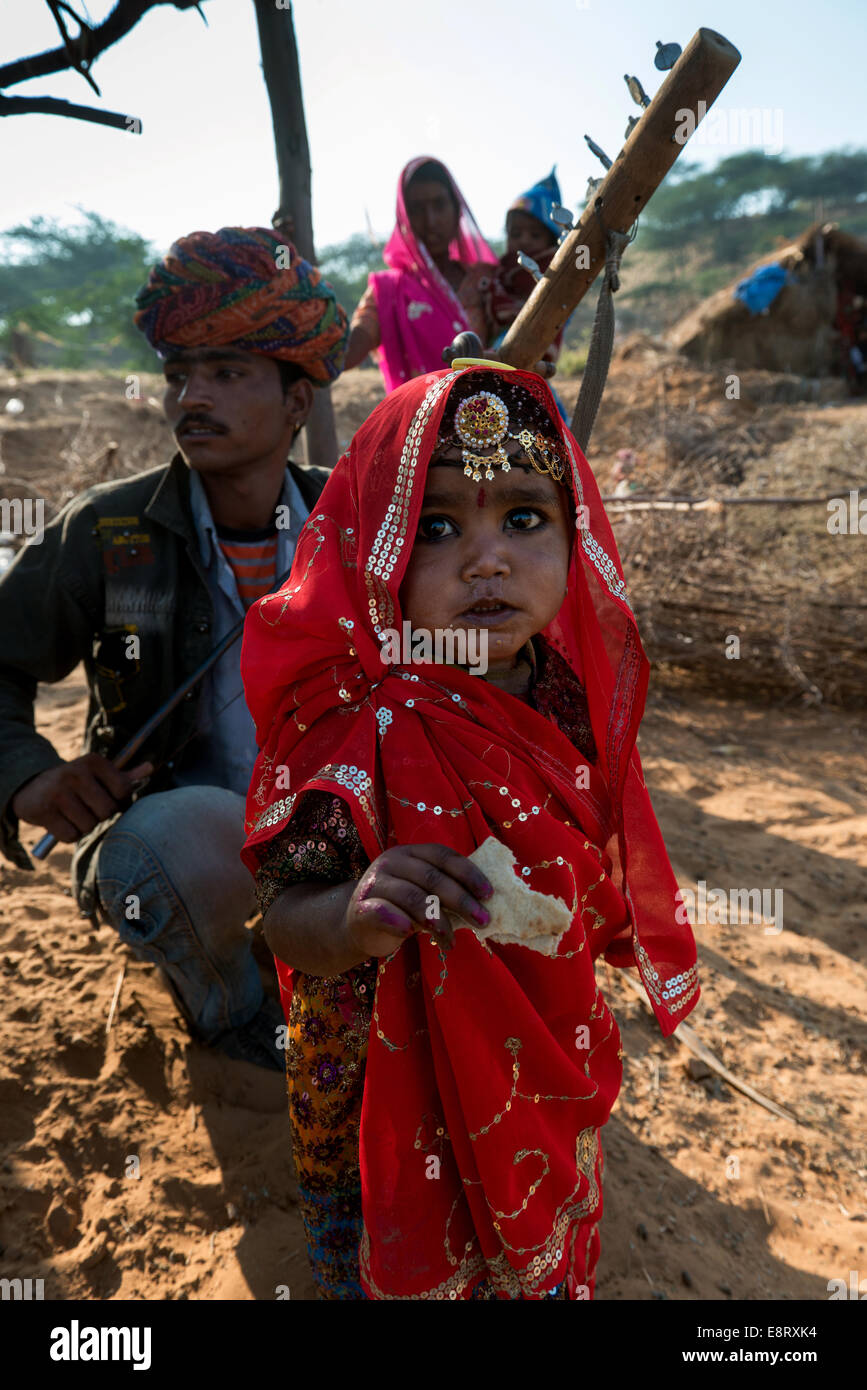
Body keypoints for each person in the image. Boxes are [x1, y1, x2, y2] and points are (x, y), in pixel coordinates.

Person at [240, 361, 700, 1297]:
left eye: (524, 518)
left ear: (577, 537)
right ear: (374, 547)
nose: (485, 560)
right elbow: (285, 919)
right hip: (377, 1080)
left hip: (541, 1043)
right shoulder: (351, 720)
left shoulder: (569, 700)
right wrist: (355, 915)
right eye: (436, 526)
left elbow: (582, 867)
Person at [0, 227, 348, 1071]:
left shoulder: (358, 529)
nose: (192, 397)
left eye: (227, 374)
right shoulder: (108, 530)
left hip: (343, 822)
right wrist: (32, 776)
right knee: (159, 852)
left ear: (297, 404)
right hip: (202, 835)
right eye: (178, 375)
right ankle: (234, 1008)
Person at [344, 157, 498, 390]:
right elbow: (346, 354)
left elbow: (521, 346)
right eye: (417, 210)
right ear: (404, 219)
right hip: (420, 422)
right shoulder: (387, 292)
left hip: (488, 418)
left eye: (439, 205)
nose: (430, 220)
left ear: (457, 210)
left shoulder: (485, 281)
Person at [483, 169, 564, 355]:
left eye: (535, 235)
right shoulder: (500, 271)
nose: (524, 240)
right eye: (516, 234)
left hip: (535, 349)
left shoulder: (551, 268)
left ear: (551, 240)